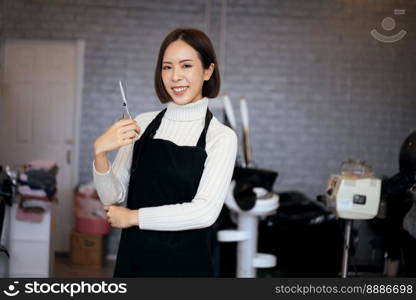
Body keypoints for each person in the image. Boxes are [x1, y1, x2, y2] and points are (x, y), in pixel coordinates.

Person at [92, 28, 237, 277]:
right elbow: (112, 197)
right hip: (134, 260)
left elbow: (204, 212)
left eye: (186, 66)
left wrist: (132, 218)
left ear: (208, 71)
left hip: (185, 265)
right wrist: (100, 153)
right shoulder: (143, 124)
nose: (175, 76)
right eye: (167, 67)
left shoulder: (221, 137)